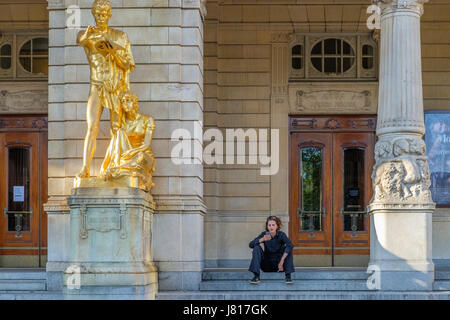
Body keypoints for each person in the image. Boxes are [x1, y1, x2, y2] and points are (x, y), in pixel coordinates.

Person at [76, 0, 135, 178]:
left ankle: (114, 166)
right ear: (93, 14)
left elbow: (128, 64)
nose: (101, 17)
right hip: (96, 85)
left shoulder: (120, 36)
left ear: (109, 15)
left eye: (104, 14)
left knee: (116, 128)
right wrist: (88, 36)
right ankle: (85, 168)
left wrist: (114, 52)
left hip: (115, 87)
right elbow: (79, 40)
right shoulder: (87, 35)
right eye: (98, 14)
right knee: (92, 126)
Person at [99, 91, 155, 191]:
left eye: (128, 101)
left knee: (140, 157)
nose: (125, 104)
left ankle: (116, 170)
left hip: (142, 153)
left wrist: (133, 151)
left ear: (134, 103)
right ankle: (116, 167)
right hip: (126, 154)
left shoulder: (147, 119)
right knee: (119, 133)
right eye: (123, 102)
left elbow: (146, 144)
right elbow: (115, 144)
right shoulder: (122, 123)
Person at [248, 216, 295, 285]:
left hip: (279, 266)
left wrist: (281, 262)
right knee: (256, 247)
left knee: (288, 248)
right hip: (267, 264)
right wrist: (262, 239)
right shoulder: (264, 234)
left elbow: (290, 245)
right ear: (267, 226)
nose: (271, 227)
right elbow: (251, 245)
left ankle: (288, 276)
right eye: (269, 225)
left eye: (273, 225)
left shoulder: (281, 235)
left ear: (277, 226)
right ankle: (256, 276)